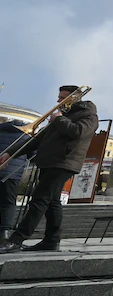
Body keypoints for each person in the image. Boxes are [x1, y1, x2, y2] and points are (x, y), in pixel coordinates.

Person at [0, 86, 99, 253]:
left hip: (64, 162)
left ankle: (16, 240)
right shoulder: (63, 116)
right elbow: (37, 139)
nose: (58, 101)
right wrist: (10, 153)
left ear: (74, 98)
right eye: (59, 97)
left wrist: (59, 120)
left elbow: (78, 132)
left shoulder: (89, 115)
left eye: (62, 98)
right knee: (52, 202)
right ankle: (51, 241)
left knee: (40, 199)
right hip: (49, 162)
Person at [0, 120, 32, 240]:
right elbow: (32, 154)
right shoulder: (25, 136)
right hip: (13, 174)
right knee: (8, 202)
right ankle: (5, 231)